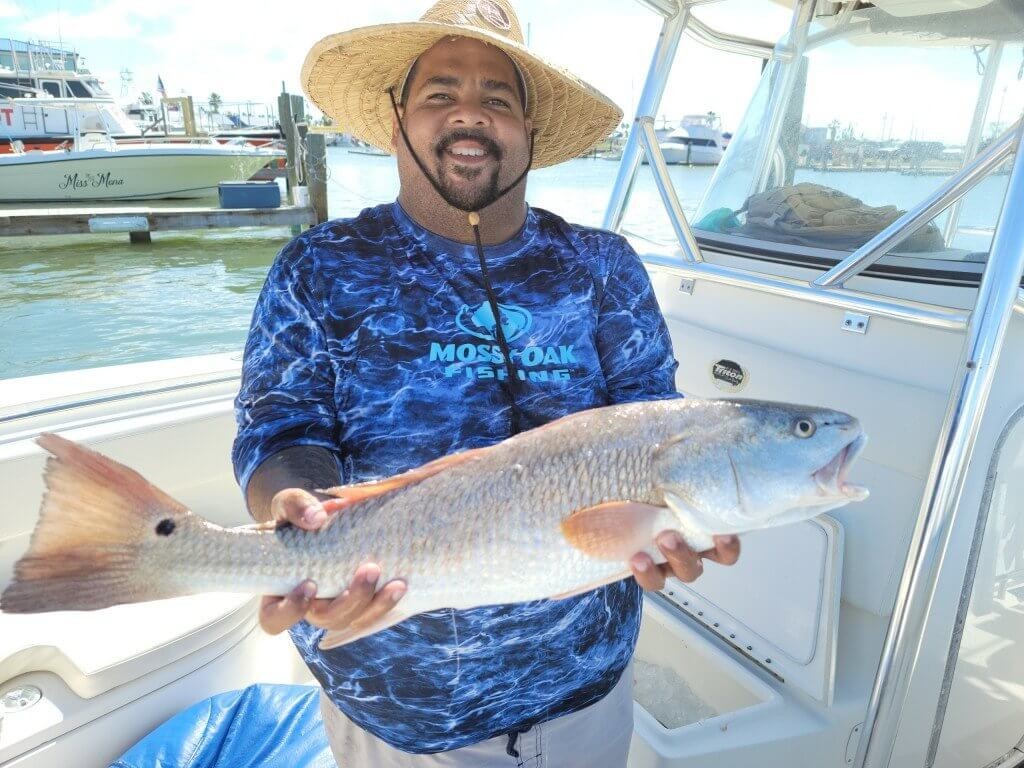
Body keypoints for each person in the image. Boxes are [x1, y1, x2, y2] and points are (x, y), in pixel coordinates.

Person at [232, 0, 740, 764]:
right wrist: (298, 516)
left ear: (528, 130)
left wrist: (675, 524)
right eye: (441, 93)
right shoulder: (320, 267)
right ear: (397, 115)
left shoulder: (602, 267)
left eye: (497, 99)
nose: (470, 115)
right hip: (391, 711)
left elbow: (651, 428)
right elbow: (282, 428)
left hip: (582, 697)